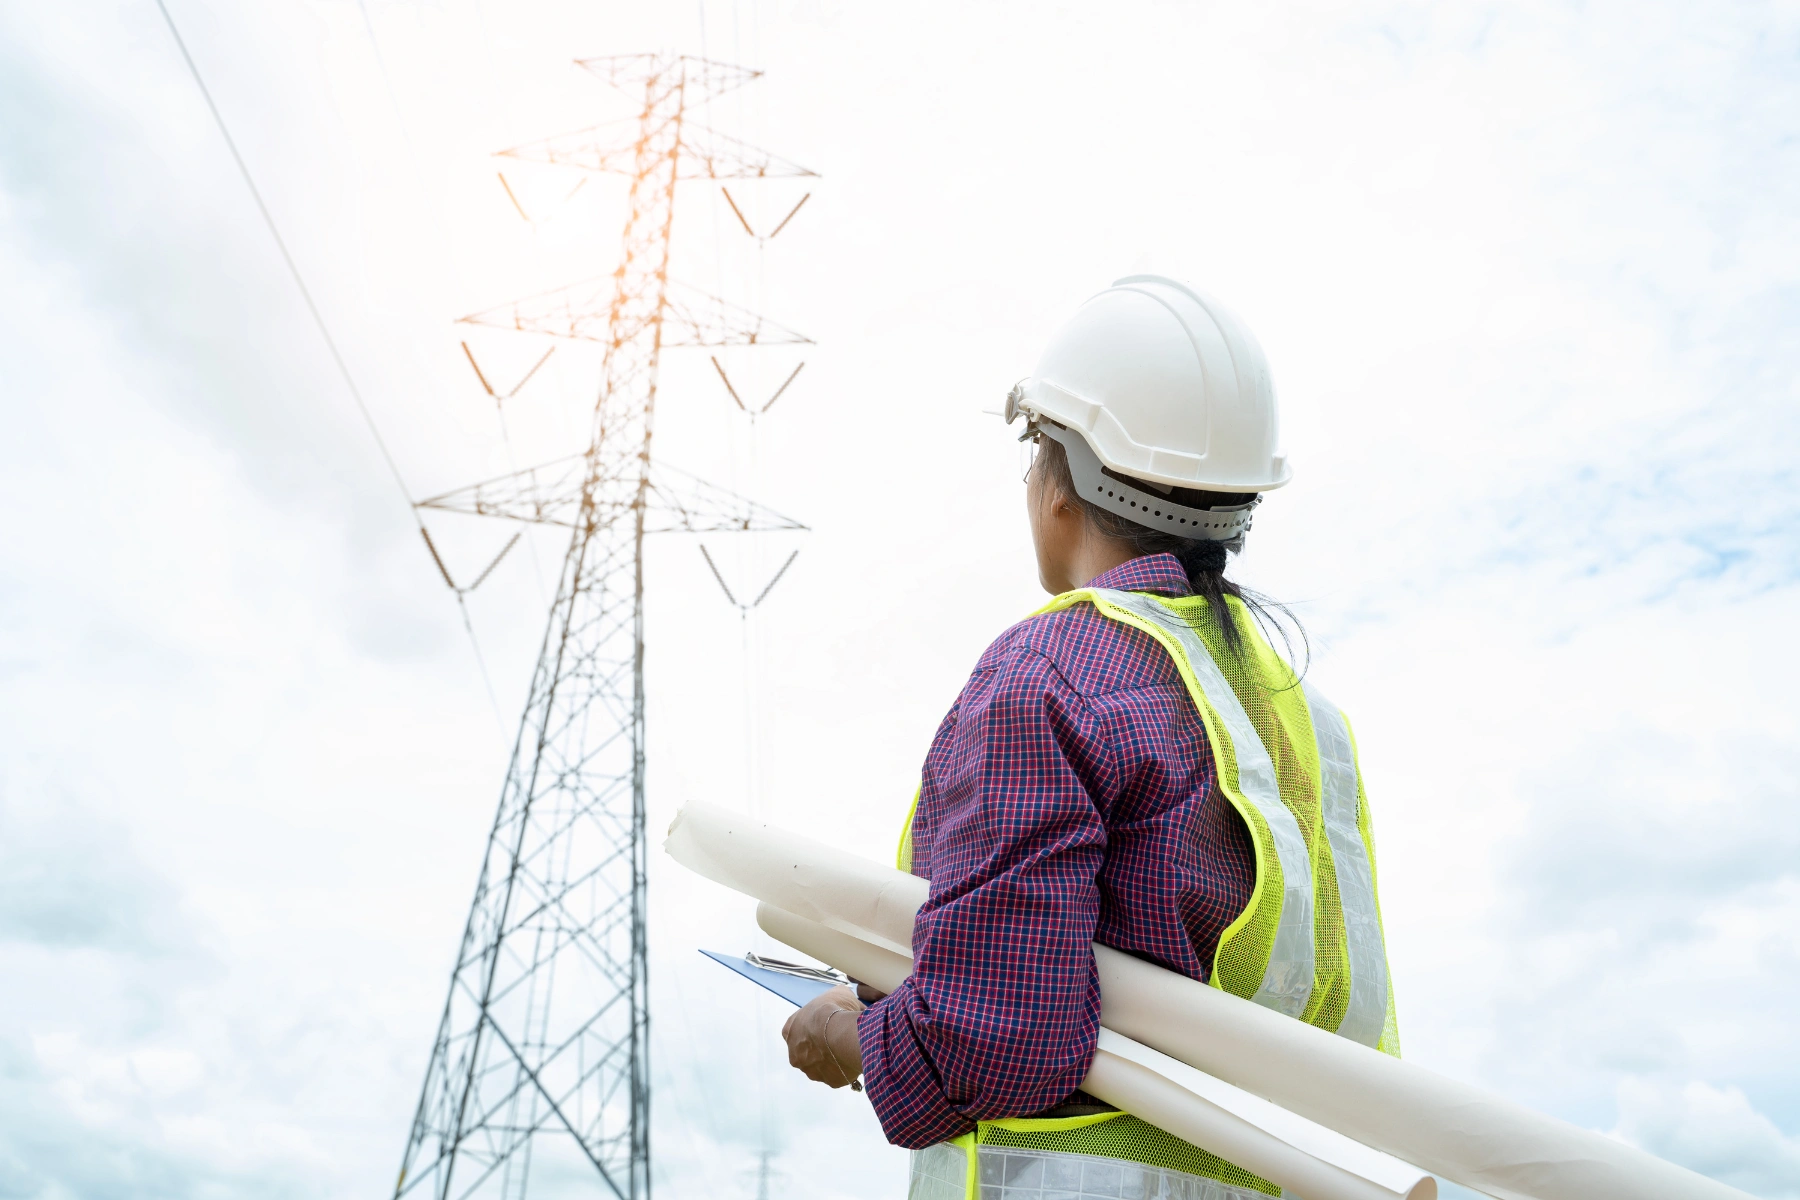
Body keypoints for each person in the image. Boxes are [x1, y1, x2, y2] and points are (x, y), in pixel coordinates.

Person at [781, 275, 1400, 1200]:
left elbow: (1001, 1038)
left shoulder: (1051, 674)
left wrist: (850, 1033)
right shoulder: (1304, 718)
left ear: (1060, 481)